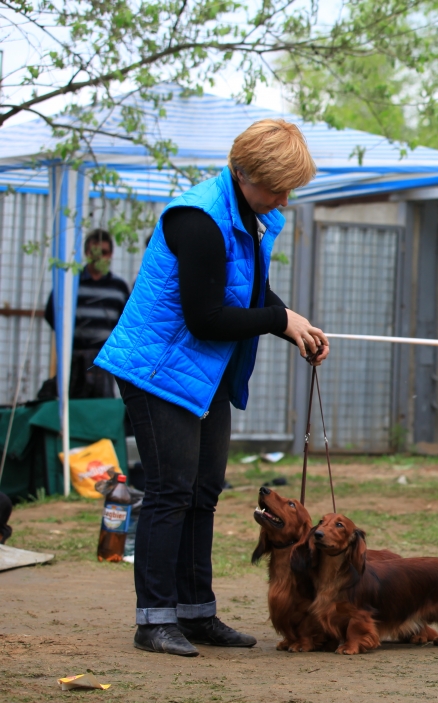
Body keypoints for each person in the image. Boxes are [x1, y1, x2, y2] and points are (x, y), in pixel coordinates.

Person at [96, 119, 330, 657]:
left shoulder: (248, 214)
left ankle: (196, 613)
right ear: (244, 173)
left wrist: (290, 319)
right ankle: (154, 620)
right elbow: (204, 317)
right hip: (158, 373)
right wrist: (277, 320)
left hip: (204, 375)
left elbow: (243, 288)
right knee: (170, 492)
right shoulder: (199, 219)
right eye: (278, 187)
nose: (285, 199)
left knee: (204, 493)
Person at [42, 229, 129, 398]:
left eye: (103, 252)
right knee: (73, 405)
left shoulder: (119, 288)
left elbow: (126, 325)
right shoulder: (70, 283)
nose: (98, 257)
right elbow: (52, 315)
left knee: (100, 409)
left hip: (103, 362)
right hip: (73, 359)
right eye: (94, 252)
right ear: (86, 253)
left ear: (111, 254)